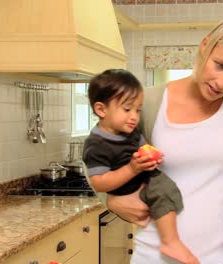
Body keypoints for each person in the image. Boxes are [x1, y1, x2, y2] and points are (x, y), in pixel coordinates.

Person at [106, 14, 223, 264]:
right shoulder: (149, 101)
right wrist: (111, 199)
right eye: (219, 65)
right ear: (205, 45)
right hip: (154, 255)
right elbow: (98, 152)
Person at [83, 69, 200, 264]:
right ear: (101, 110)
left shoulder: (131, 132)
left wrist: (151, 156)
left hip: (144, 179)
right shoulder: (96, 145)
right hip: (129, 189)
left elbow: (143, 148)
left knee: (166, 189)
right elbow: (99, 183)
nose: (134, 117)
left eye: (138, 110)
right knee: (162, 192)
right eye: (127, 109)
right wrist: (132, 169)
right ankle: (171, 241)